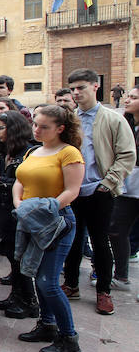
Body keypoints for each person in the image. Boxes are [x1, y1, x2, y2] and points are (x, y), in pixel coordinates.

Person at [61, 69, 136, 315]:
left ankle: (103, 291)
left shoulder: (113, 119)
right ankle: (71, 284)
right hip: (73, 190)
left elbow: (127, 155)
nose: (76, 93)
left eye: (81, 87)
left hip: (100, 190)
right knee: (71, 239)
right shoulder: (70, 118)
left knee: (100, 242)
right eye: (72, 89)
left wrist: (109, 183)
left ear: (95, 87)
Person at [13, 105, 85, 352]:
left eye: (44, 126)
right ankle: (47, 324)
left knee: (48, 282)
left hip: (56, 223)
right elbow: (20, 180)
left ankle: (69, 338)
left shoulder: (69, 153)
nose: (37, 129)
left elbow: (72, 190)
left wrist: (46, 207)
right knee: (37, 277)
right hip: (30, 220)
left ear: (60, 129)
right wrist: (20, 205)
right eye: (36, 124)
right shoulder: (33, 151)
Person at [0, 111, 39, 318]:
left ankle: (30, 301)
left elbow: (30, 184)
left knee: (20, 258)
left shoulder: (30, 152)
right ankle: (16, 295)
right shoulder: (3, 152)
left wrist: (2, 182)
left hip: (20, 211)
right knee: (12, 255)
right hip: (3, 210)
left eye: (2, 128)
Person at [107, 86, 139, 294]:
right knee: (117, 231)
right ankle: (121, 276)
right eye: (128, 96)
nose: (127, 101)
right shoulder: (125, 124)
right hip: (127, 188)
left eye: (134, 98)